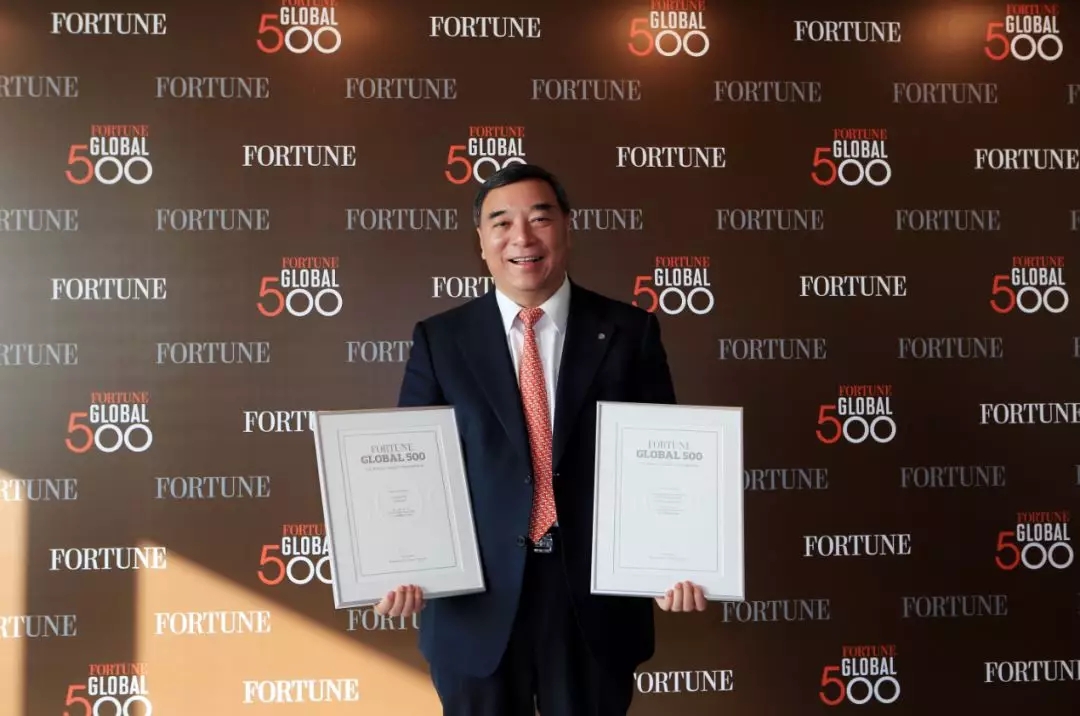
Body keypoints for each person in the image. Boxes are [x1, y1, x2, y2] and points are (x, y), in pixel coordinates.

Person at [375, 163, 707, 715]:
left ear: (567, 228)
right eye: (501, 222)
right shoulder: (440, 339)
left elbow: (664, 463)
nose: (522, 237)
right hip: (476, 601)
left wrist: (672, 558)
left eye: (539, 218)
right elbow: (411, 467)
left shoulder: (630, 332)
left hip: (592, 602)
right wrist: (400, 561)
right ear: (481, 242)